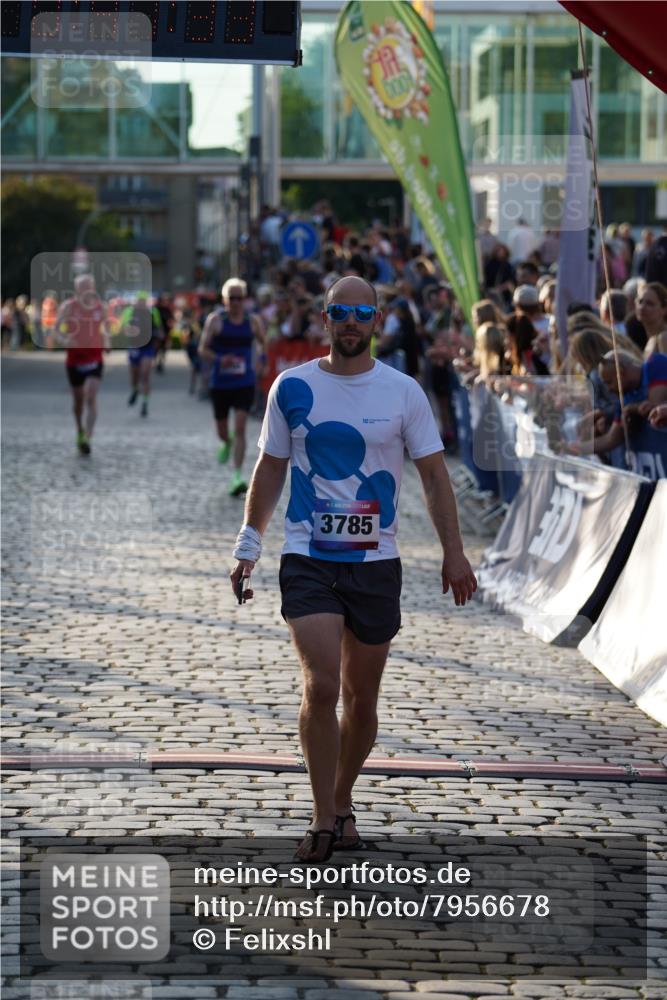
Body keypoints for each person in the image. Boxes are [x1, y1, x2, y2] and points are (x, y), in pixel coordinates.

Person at [229, 275, 477, 863]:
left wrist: (454, 550)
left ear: (377, 322)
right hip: (308, 556)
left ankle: (342, 801)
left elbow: (434, 476)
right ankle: (322, 816)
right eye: (340, 312)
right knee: (321, 686)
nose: (350, 322)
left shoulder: (403, 392)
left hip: (376, 563)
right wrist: (248, 542)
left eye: (362, 314)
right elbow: (270, 467)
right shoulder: (293, 387)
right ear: (324, 318)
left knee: (361, 699)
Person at [199, 277, 267, 497]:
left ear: (245, 299)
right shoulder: (215, 320)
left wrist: (261, 361)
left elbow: (263, 342)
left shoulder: (252, 321)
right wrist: (220, 359)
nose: (236, 302)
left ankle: (237, 476)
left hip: (244, 382)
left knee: (240, 427)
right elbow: (202, 349)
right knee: (223, 431)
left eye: (240, 298)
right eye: (232, 298)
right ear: (224, 299)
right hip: (220, 383)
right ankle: (226, 442)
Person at [566, 350, 667, 457]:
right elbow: (610, 439)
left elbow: (653, 407)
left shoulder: (656, 364)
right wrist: (576, 448)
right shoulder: (625, 398)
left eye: (609, 382)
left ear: (620, 372)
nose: (609, 389)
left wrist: (631, 409)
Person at [55, 274, 108, 455]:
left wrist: (107, 341)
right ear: (77, 289)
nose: (86, 291)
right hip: (75, 360)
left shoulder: (101, 307)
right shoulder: (68, 307)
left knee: (91, 396)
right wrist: (65, 340)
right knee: (78, 401)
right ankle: (79, 430)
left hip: (95, 358)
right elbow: (56, 331)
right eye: (82, 287)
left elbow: (105, 328)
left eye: (89, 287)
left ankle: (88, 437)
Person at [121, 292, 164, 418]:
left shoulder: (153, 312)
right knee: (134, 376)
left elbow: (158, 327)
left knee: (145, 375)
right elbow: (122, 328)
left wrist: (159, 337)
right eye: (139, 300)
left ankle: (145, 404)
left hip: (148, 348)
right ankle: (135, 389)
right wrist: (130, 330)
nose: (141, 303)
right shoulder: (129, 312)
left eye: (143, 301)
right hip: (134, 347)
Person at [636, 282, 667, 357]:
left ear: (664, 309)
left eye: (650, 304)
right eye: (640, 302)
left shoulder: (664, 338)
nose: (642, 307)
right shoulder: (642, 338)